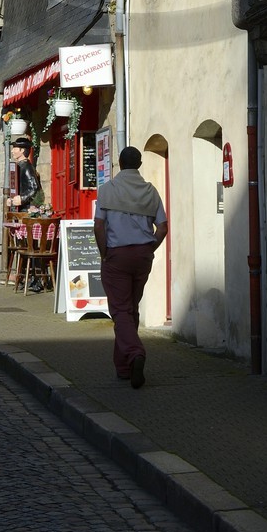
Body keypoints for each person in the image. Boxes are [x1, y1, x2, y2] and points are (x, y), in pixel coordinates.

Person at [93, 146, 168, 390]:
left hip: (117, 256)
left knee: (121, 311)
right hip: (142, 256)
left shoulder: (108, 190)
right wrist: (150, 249)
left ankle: (135, 353)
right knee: (130, 309)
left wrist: (104, 253)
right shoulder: (150, 191)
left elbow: (99, 226)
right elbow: (163, 227)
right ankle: (123, 367)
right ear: (140, 164)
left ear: (119, 163)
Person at [8, 137, 42, 211]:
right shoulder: (20, 165)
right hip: (20, 209)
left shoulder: (27, 167)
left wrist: (22, 198)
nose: (12, 151)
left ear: (22, 150)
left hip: (27, 209)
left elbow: (35, 188)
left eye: (15, 148)